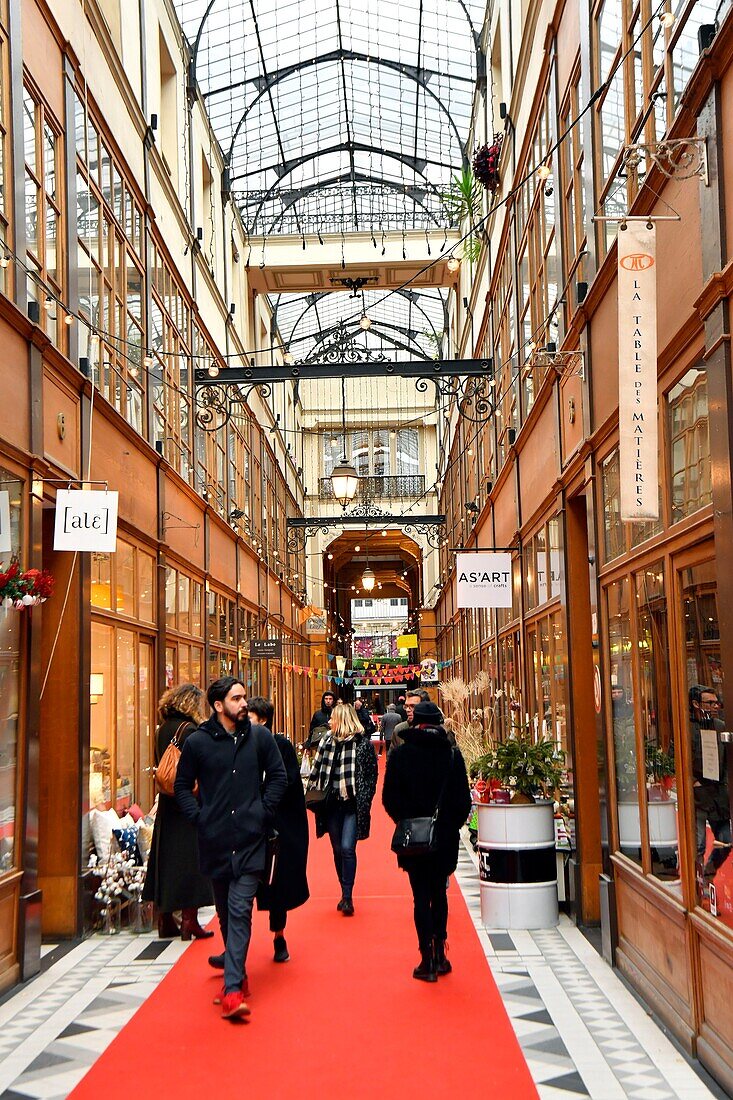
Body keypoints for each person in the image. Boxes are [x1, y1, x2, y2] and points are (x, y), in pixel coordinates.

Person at [175, 676, 287, 1021]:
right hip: (216, 840)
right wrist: (200, 818)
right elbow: (181, 785)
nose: (244, 703)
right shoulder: (198, 743)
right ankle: (238, 975)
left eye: (245, 697)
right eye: (237, 699)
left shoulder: (260, 737)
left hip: (252, 839)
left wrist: (263, 811)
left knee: (240, 909)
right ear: (218, 705)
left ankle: (233, 988)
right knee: (225, 912)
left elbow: (279, 776)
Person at [383, 701, 471, 982]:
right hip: (444, 837)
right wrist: (448, 826)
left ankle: (426, 960)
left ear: (415, 723)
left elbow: (389, 799)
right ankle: (440, 951)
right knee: (439, 893)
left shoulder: (401, 756)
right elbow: (463, 802)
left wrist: (405, 821)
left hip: (413, 837)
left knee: (420, 895)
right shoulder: (452, 756)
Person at [142, 683, 214, 940]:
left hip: (167, 805)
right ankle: (188, 920)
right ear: (191, 704)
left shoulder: (163, 729)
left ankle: (164, 920)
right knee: (190, 860)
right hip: (187, 804)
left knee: (166, 859)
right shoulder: (190, 731)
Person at [247, 697, 309, 963]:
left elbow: (287, 783)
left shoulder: (280, 746)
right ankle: (235, 946)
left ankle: (279, 935)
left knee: (276, 885)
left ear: (262, 720)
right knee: (240, 889)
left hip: (274, 827)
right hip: (245, 827)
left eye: (248, 716)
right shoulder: (235, 745)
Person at [306, 703, 378, 915]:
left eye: (333, 718)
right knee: (337, 849)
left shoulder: (362, 745)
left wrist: (365, 798)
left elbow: (371, 776)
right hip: (331, 805)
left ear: (343, 720)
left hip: (352, 804)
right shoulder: (326, 742)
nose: (329, 722)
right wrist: (311, 793)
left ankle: (347, 895)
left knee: (348, 848)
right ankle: (343, 889)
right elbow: (317, 770)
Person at [689, 685, 731, 880]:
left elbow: (725, 760)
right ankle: (696, 884)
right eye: (710, 703)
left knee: (726, 839)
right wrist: (691, 781)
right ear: (696, 704)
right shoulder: (687, 728)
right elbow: (677, 758)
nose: (715, 706)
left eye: (716, 702)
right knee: (697, 844)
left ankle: (708, 872)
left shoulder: (720, 726)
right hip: (697, 796)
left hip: (718, 794)